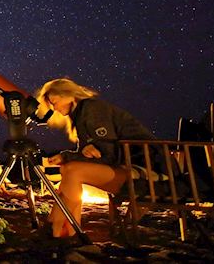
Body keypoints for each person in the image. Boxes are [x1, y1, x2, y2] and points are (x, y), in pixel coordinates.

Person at [36, 77, 157, 238]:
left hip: (148, 171)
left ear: (69, 95)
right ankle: (67, 231)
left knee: (73, 170)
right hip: (127, 164)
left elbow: (108, 156)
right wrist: (71, 156)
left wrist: (69, 156)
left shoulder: (92, 109)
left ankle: (54, 227)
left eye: (55, 102)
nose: (55, 108)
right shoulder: (81, 114)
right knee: (68, 169)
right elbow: (93, 153)